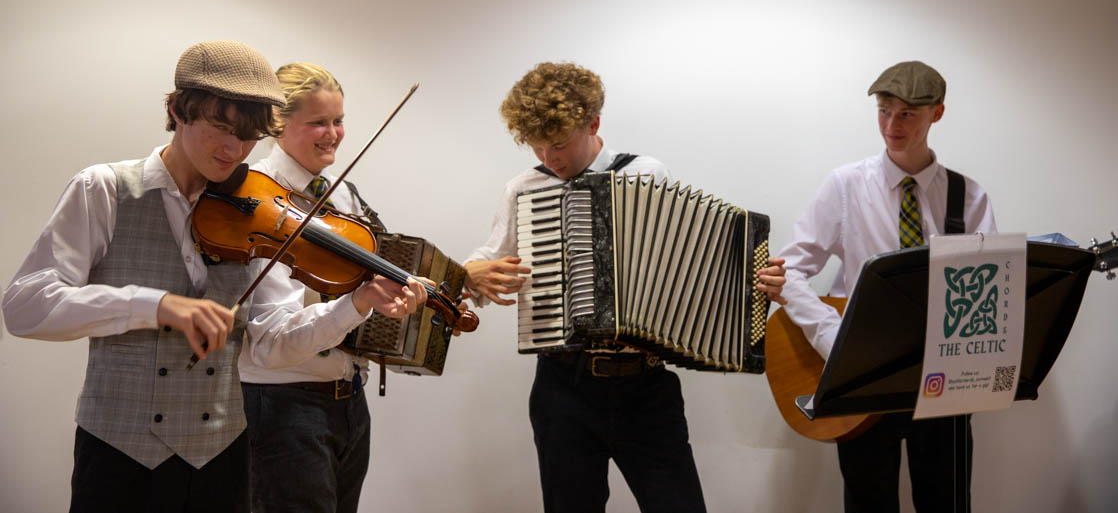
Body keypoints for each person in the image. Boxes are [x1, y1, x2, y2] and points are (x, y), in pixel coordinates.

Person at [2, 41, 425, 513]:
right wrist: (153, 305)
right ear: (176, 111)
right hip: (120, 456)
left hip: (224, 459)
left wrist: (357, 303)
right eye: (221, 128)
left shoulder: (255, 213)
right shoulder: (104, 189)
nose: (233, 150)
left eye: (248, 136)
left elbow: (268, 347)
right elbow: (25, 305)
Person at [463, 61, 787, 513]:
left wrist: (752, 281)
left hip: (645, 388)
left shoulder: (646, 173)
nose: (548, 159)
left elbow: (688, 265)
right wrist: (467, 275)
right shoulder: (525, 189)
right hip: (563, 387)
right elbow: (489, 261)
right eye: (537, 147)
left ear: (593, 124)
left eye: (558, 144)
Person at [773, 60, 997, 513]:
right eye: (884, 111)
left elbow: (985, 297)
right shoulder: (846, 185)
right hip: (864, 381)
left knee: (948, 503)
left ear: (937, 113)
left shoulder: (969, 197)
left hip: (943, 382)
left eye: (907, 114)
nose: (892, 125)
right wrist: (831, 336)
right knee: (868, 504)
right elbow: (788, 270)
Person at [239, 61, 393, 513]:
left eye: (338, 120)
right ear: (278, 123)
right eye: (318, 123)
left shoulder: (343, 194)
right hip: (284, 406)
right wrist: (357, 303)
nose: (333, 134)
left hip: (349, 400)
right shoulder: (258, 199)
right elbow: (270, 342)